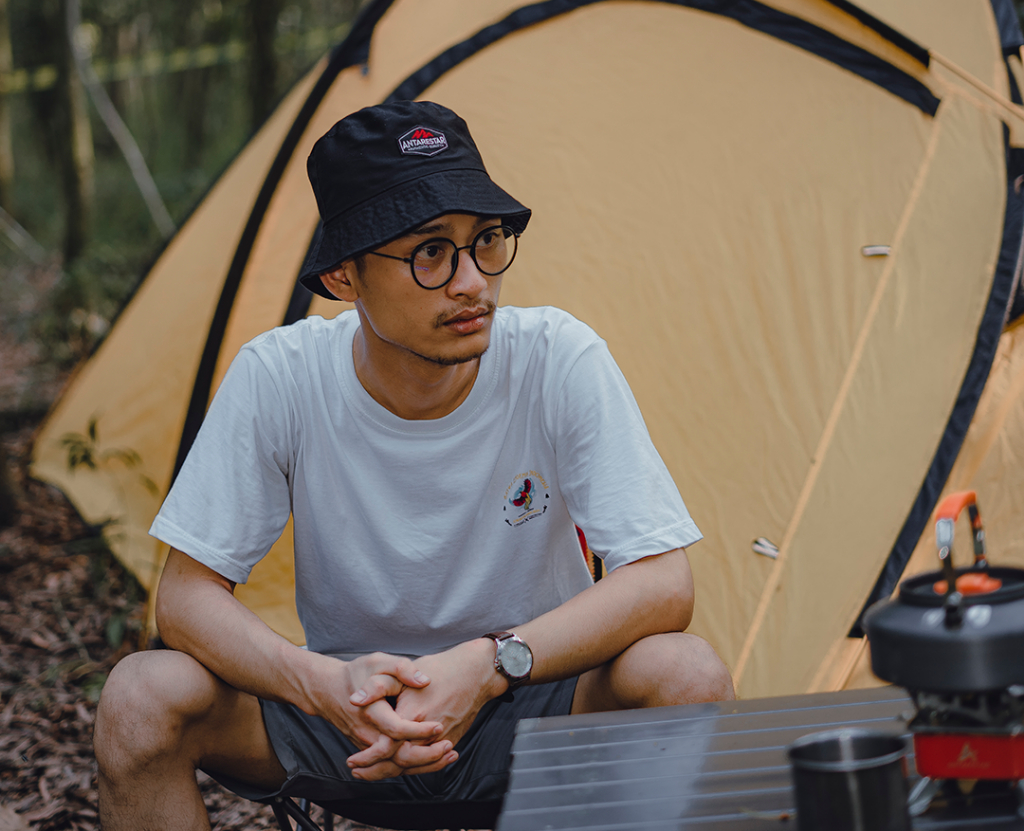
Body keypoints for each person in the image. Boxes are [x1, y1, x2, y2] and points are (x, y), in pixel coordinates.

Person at [94, 101, 734, 831]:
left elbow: (663, 581)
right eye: (430, 252)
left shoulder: (556, 359)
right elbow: (184, 597)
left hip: (527, 701)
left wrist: (491, 666)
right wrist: (320, 684)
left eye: (485, 241)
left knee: (685, 674)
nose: (472, 282)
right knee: (142, 695)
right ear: (344, 277)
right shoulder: (284, 377)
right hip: (344, 714)